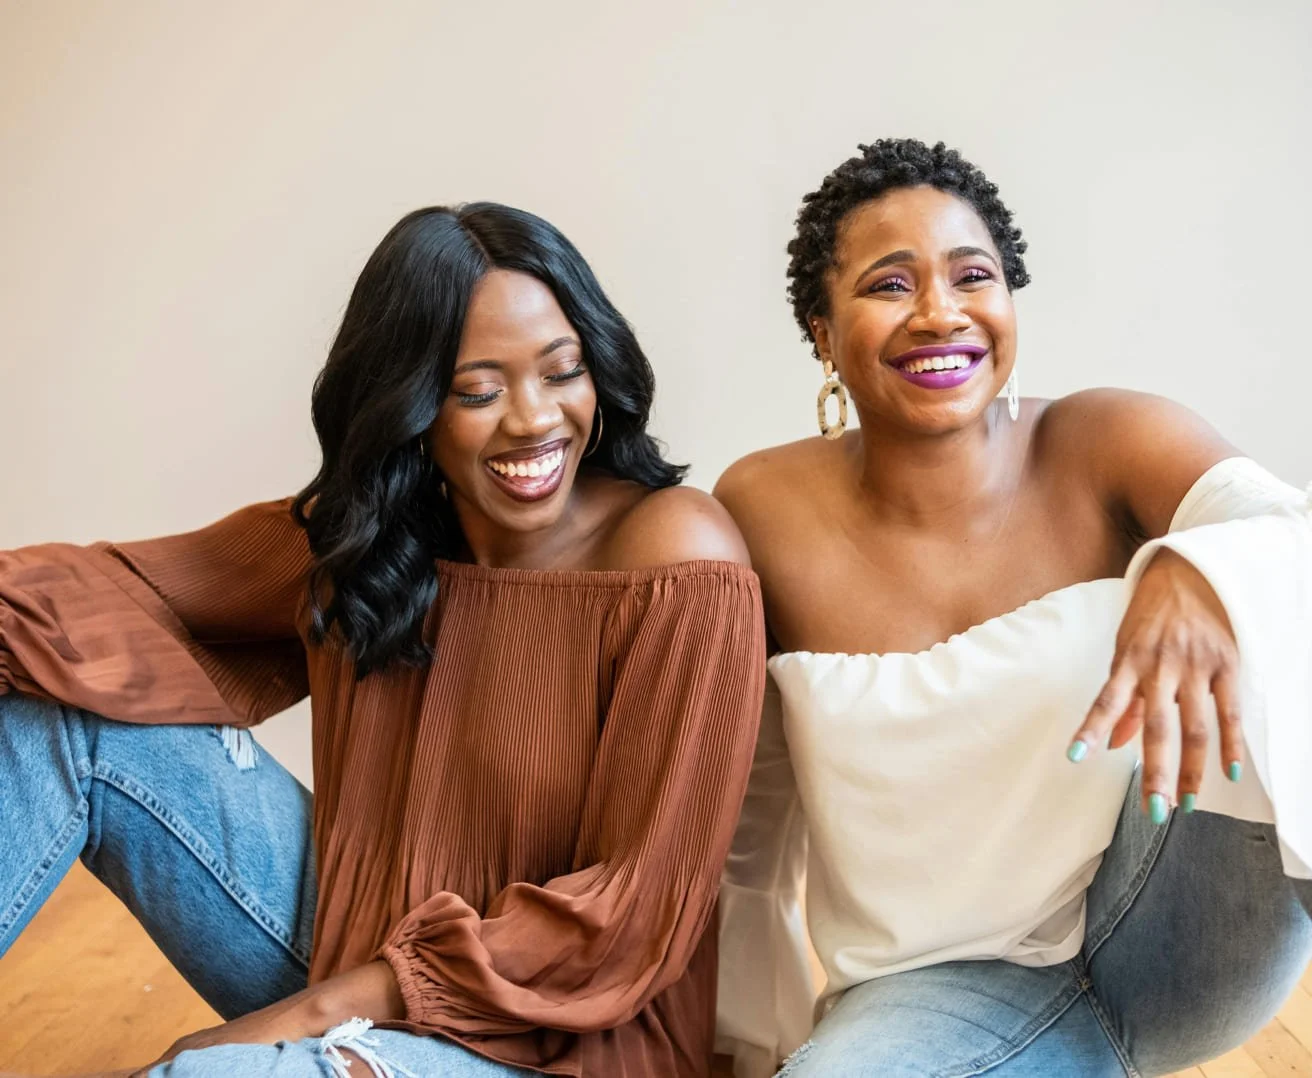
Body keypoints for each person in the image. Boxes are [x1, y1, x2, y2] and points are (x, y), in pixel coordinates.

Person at [0, 203, 765, 1077]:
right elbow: (106, 592)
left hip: (563, 1040)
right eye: (477, 390)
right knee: (54, 706)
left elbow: (623, 921)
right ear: (410, 405)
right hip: (356, 950)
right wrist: (319, 1002)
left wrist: (310, 1015)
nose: (534, 421)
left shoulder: (678, 559)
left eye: (564, 372)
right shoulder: (376, 537)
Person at [713, 139, 1312, 1077]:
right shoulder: (759, 508)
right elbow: (751, 801)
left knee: (1277, 597)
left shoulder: (1107, 439)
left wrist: (1200, 570)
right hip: (935, 988)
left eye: (972, 275)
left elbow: (1291, 529)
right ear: (822, 334)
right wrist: (746, 1040)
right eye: (889, 285)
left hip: (1179, 919)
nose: (940, 313)